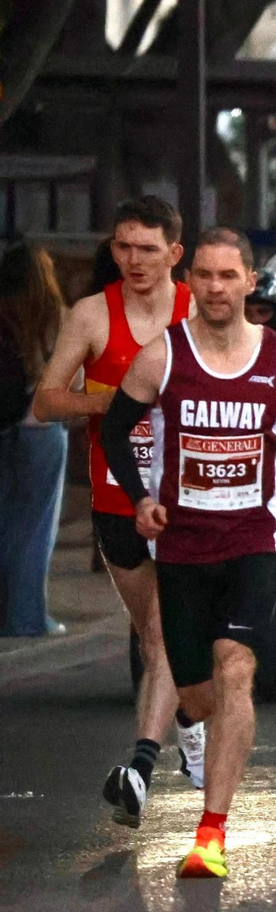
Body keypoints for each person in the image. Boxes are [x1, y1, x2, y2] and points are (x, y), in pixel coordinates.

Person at [99, 227, 276, 878]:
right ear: (195, 283)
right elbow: (117, 430)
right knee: (197, 692)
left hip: (252, 542)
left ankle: (211, 833)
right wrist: (138, 498)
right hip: (181, 546)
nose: (214, 287)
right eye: (203, 275)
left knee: (237, 670)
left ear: (247, 282)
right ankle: (191, 731)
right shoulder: (163, 357)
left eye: (226, 275)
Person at [31, 196, 206, 825]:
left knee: (164, 631)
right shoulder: (91, 315)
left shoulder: (198, 308)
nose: (132, 260)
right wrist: (112, 406)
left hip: (190, 496)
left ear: (174, 255)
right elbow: (48, 401)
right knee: (153, 632)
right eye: (123, 246)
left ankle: (139, 766)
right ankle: (189, 722)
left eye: (147, 249)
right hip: (117, 498)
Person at [0, 243, 69, 637]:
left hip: (4, 425)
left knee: (6, 524)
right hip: (41, 431)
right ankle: (26, 619)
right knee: (34, 531)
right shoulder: (49, 313)